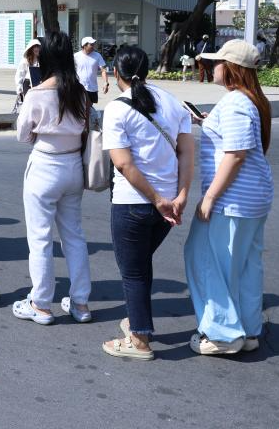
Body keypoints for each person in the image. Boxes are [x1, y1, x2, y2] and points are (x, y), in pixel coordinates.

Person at [101, 46, 194, 360]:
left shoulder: (117, 109)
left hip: (134, 203)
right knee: (140, 266)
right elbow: (187, 152)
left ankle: (139, 340)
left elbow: (123, 164)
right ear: (148, 69)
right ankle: (137, 323)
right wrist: (181, 195)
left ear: (116, 73)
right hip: (168, 205)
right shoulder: (173, 102)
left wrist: (156, 199)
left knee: (133, 272)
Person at [183, 39, 273, 355]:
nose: (212, 67)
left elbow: (235, 155)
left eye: (217, 62)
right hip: (251, 198)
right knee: (245, 266)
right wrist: (208, 122)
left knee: (206, 261)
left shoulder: (235, 103)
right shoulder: (249, 100)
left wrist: (209, 197)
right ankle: (247, 331)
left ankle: (222, 335)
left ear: (232, 68)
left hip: (231, 199)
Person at [13, 31, 93, 325]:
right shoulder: (80, 92)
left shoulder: (37, 93)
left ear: (45, 57)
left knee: (40, 238)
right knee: (74, 235)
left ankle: (41, 304)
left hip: (45, 166)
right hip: (73, 166)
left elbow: (23, 135)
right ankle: (81, 303)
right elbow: (88, 126)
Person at [74, 36, 110, 106]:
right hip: (78, 87)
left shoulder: (97, 56)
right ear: (84, 45)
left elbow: (103, 70)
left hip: (92, 87)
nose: (93, 46)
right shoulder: (76, 56)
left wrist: (105, 82)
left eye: (93, 44)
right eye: (91, 44)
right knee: (79, 106)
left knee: (89, 107)